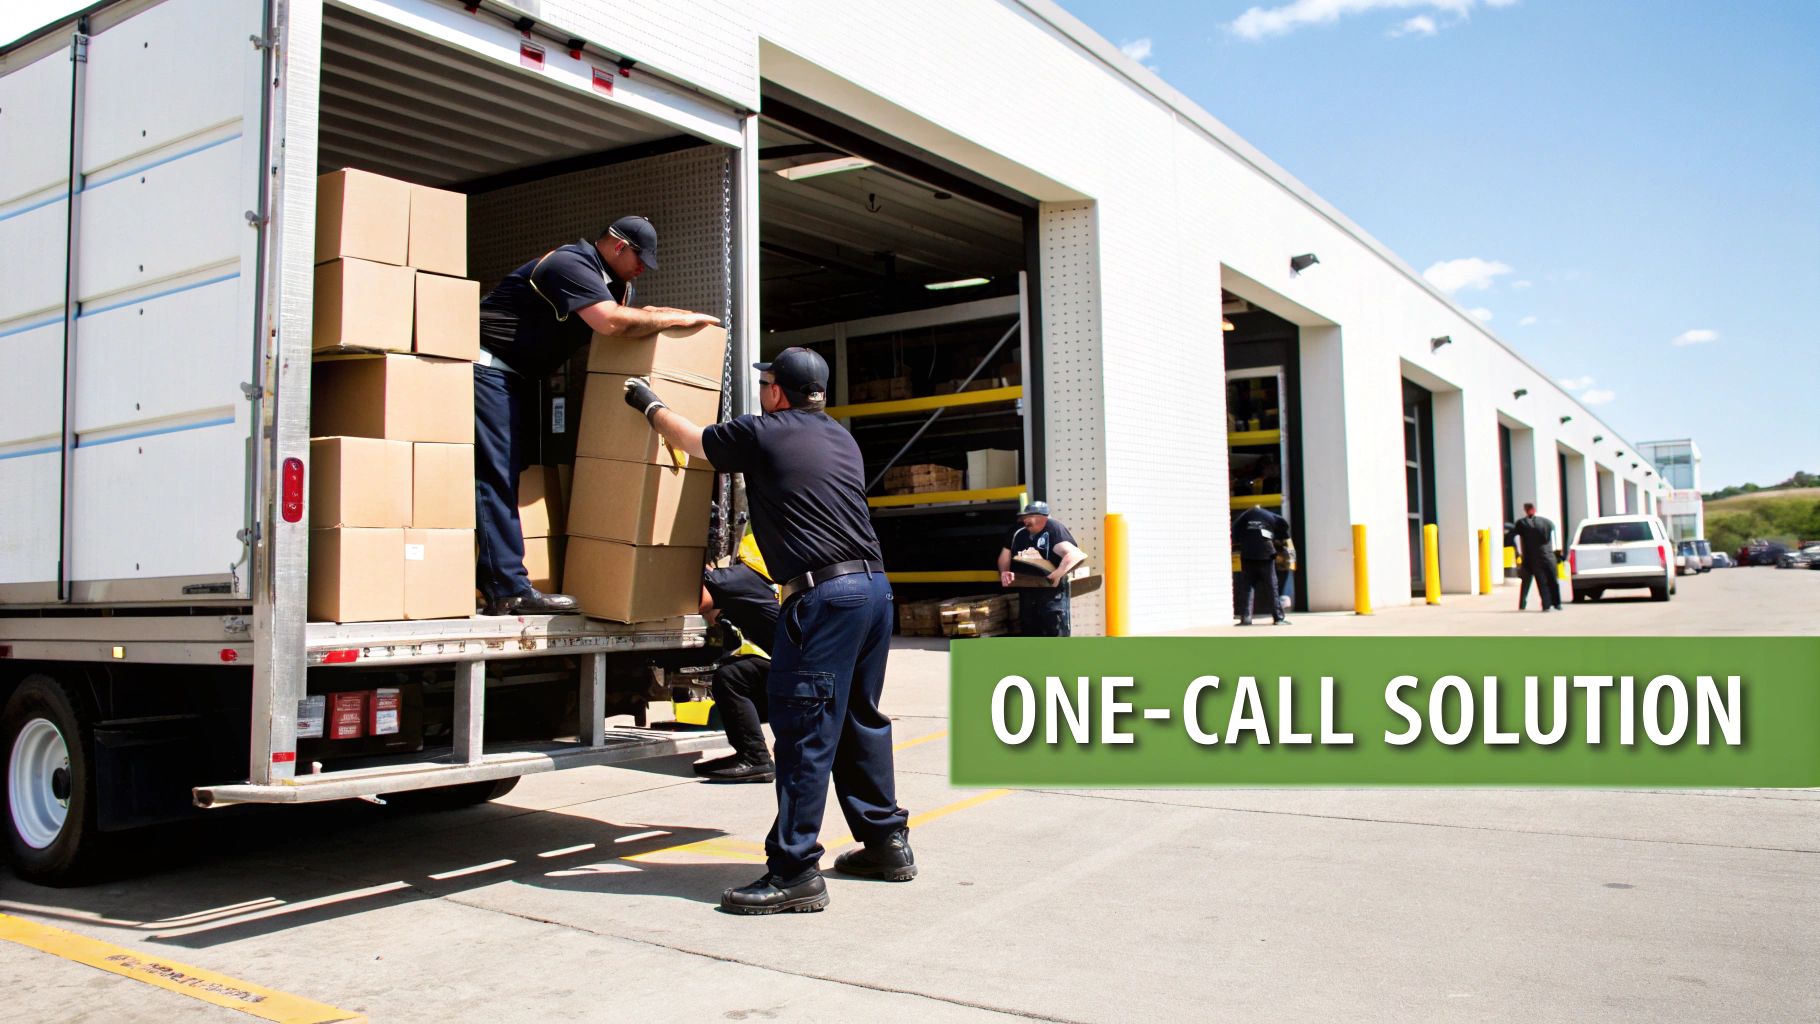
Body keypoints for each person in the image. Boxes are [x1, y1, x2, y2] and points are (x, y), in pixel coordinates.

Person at [624, 346, 912, 915]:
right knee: (859, 717)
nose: (762, 390)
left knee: (806, 729)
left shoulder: (768, 431)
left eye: (766, 383)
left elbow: (696, 443)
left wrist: (651, 405)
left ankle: (795, 870)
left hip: (825, 596)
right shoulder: (840, 439)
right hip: (875, 592)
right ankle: (886, 844)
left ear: (777, 391)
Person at [473, 216, 719, 615]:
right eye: (640, 259)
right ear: (619, 247)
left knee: (504, 472)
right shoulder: (570, 264)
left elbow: (636, 316)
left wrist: (679, 313)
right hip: (486, 369)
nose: (642, 268)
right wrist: (677, 318)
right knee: (495, 474)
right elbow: (611, 322)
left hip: (514, 378)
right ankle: (509, 590)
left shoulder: (614, 282)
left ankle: (498, 583)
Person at [694, 541, 782, 783]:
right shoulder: (773, 579)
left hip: (794, 676)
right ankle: (751, 754)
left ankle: (755, 758)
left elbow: (699, 600)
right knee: (742, 667)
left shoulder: (743, 578)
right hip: (807, 669)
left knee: (730, 677)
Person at [997, 501, 1087, 636]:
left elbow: (1074, 554)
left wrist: (1057, 574)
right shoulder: (1018, 530)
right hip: (1027, 590)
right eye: (1024, 517)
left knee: (1053, 632)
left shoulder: (1052, 528)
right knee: (1030, 631)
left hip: (1051, 592)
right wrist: (1004, 573)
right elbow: (1005, 556)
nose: (1025, 520)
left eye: (1029, 516)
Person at [1232, 504, 1290, 625]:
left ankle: (1245, 619)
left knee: (1247, 588)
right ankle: (1278, 618)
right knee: (1271, 586)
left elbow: (1235, 532)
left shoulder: (1244, 517)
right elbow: (1283, 530)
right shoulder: (1272, 517)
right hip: (1266, 556)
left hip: (1247, 555)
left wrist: (1244, 541)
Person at [1506, 502, 1562, 611]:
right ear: (1534, 509)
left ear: (1526, 510)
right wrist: (1557, 553)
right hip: (1549, 556)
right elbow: (1554, 539)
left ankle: (1544, 605)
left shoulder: (1522, 524)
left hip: (1532, 558)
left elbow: (1516, 539)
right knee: (1552, 580)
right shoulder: (1547, 522)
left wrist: (1519, 554)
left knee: (1540, 582)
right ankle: (1557, 603)